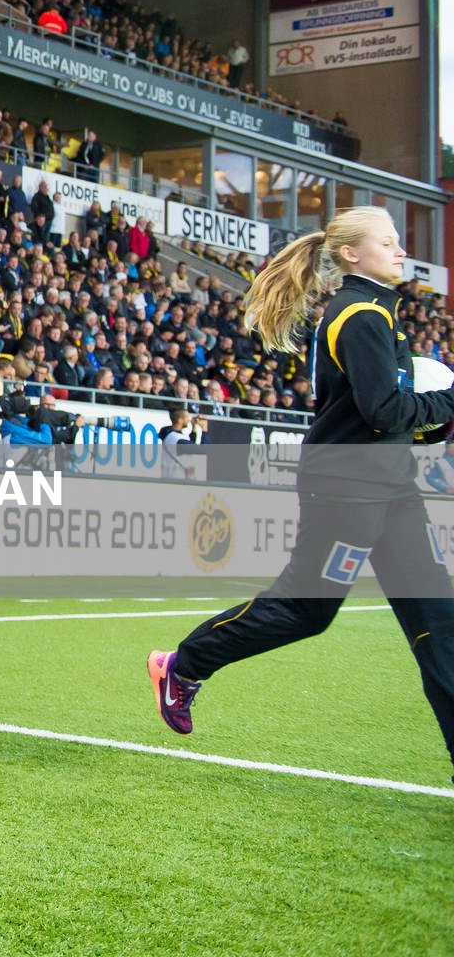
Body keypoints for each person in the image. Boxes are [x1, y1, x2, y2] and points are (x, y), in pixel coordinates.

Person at [150, 208, 454, 782]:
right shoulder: (360, 316)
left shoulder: (380, 315)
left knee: (440, 621)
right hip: (348, 488)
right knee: (304, 611)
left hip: (389, 485)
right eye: (386, 242)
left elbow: (388, 417)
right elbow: (383, 410)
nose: (399, 250)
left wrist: (431, 418)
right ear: (350, 255)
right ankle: (182, 664)